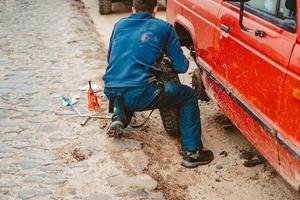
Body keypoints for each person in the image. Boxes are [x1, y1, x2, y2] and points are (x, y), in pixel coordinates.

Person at [103, 0, 213, 168]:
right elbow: (182, 67)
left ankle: (119, 117)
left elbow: (111, 58)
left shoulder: (119, 24)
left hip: (111, 90)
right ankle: (193, 153)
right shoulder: (163, 28)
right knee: (188, 95)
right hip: (139, 94)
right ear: (155, 10)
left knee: (128, 82)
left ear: (133, 9)